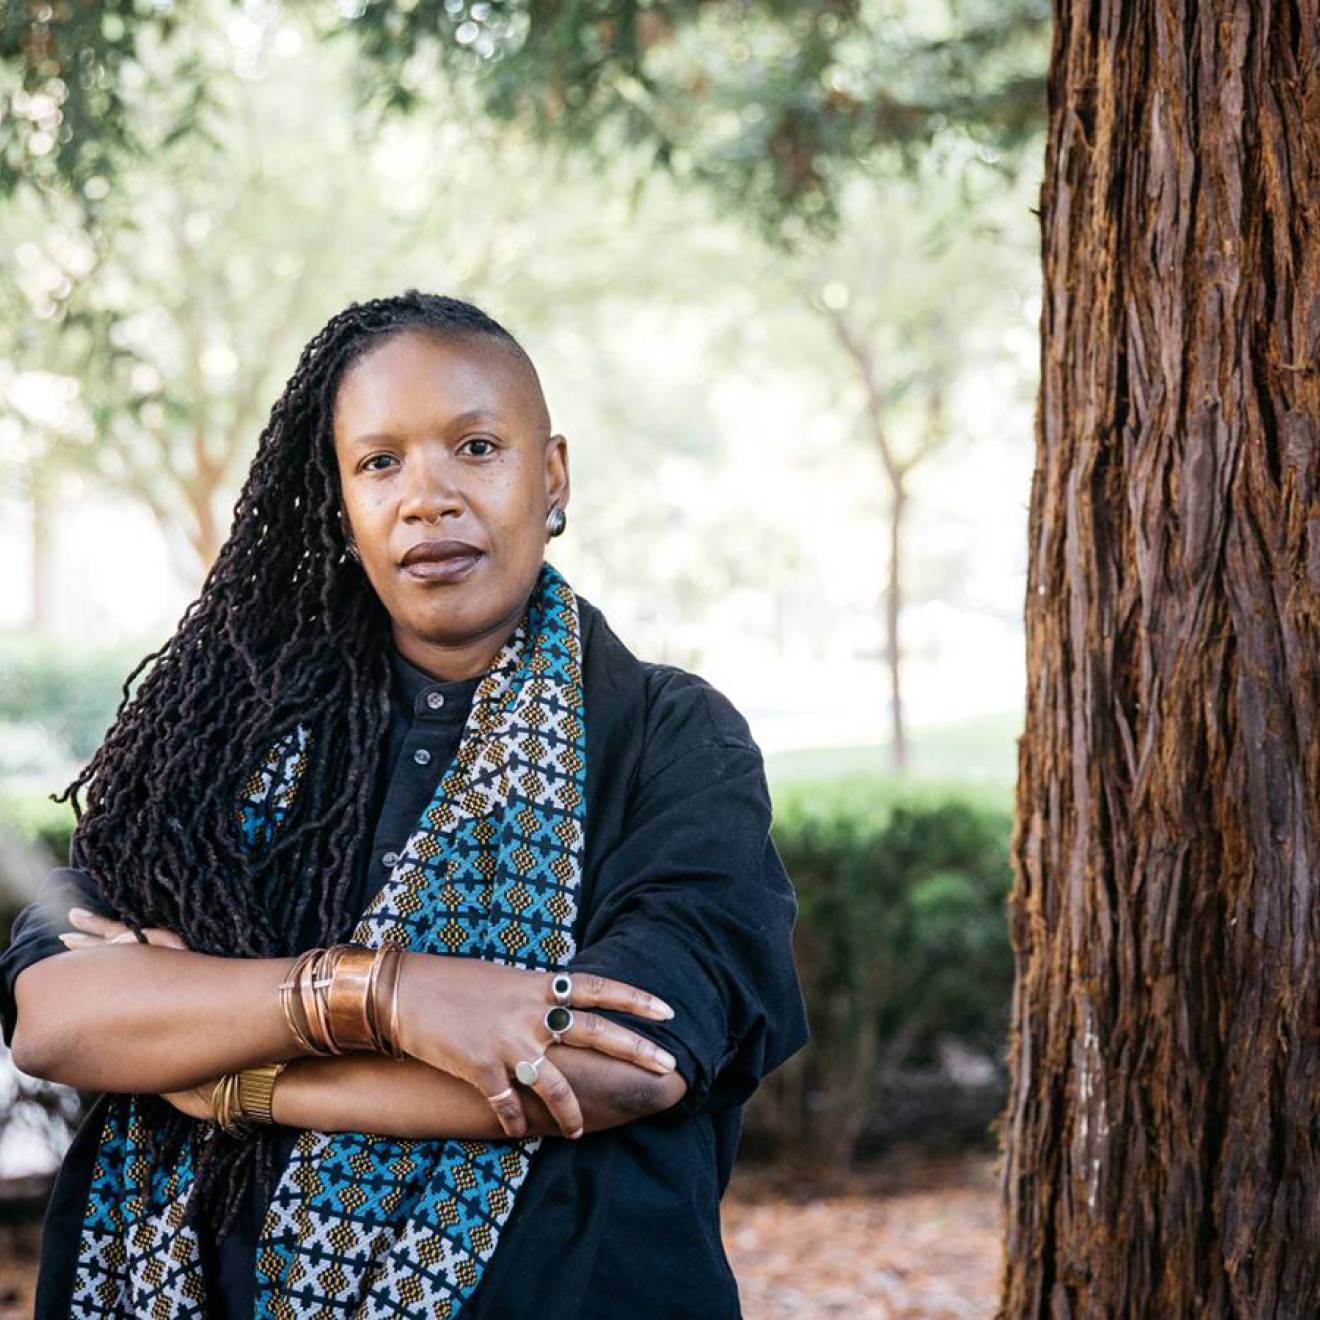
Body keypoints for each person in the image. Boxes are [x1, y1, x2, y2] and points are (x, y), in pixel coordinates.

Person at [0, 289, 810, 1318]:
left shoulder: (668, 736)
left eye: (476, 447)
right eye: (380, 462)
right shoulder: (212, 741)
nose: (427, 497)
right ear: (339, 500)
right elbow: (62, 1017)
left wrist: (240, 1083)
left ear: (550, 475)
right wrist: (388, 996)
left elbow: (620, 1068)